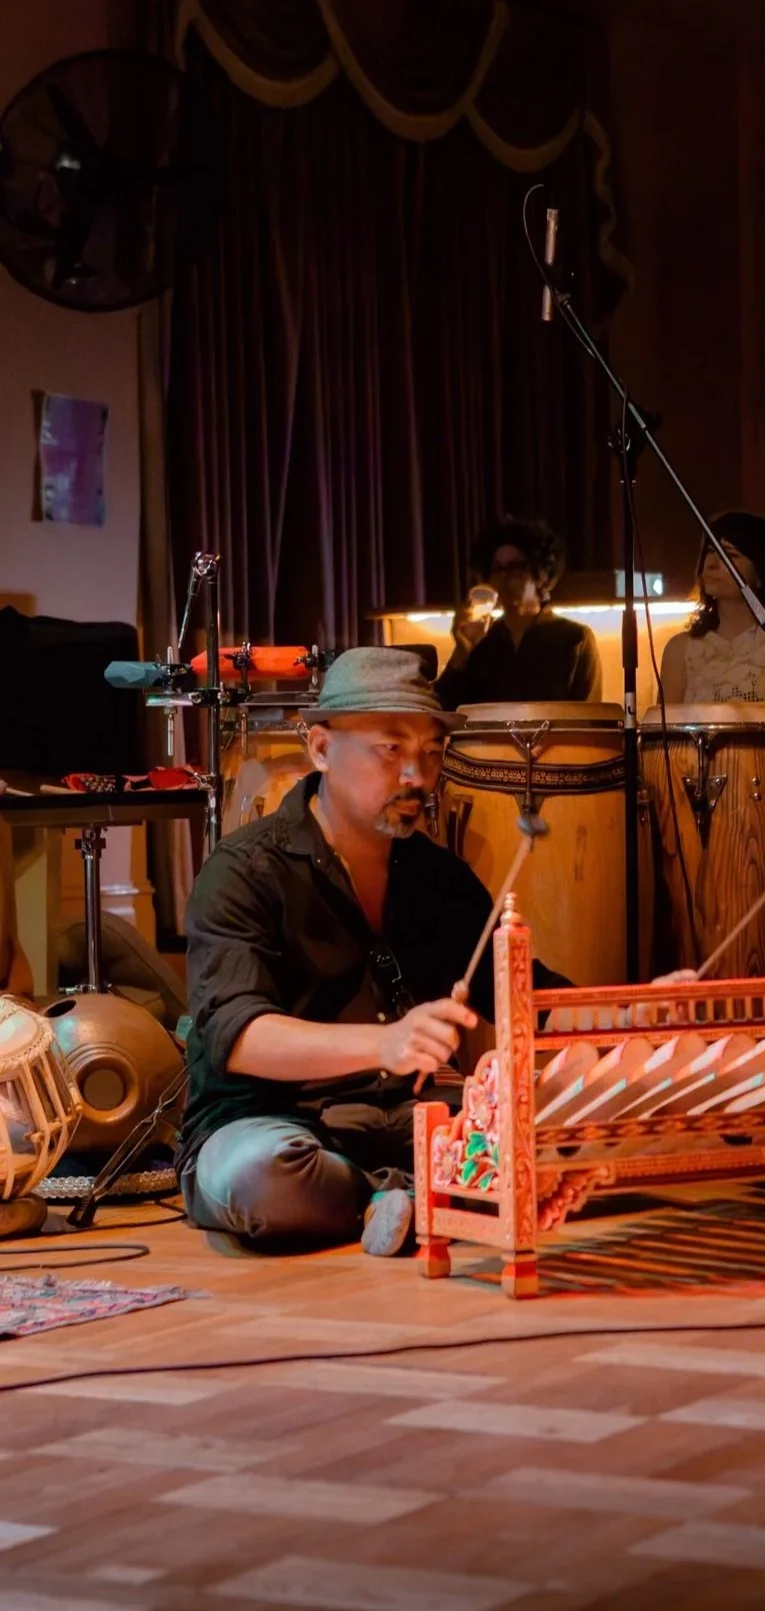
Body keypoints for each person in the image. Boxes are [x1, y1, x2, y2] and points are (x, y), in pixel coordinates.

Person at [180, 648, 562, 1254]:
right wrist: (384, 1043)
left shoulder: (438, 877)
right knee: (262, 1178)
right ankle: (403, 1193)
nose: (418, 776)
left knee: (551, 1131)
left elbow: (522, 994)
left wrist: (631, 1011)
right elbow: (240, 1037)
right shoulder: (243, 871)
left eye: (431, 753)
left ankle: (402, 1197)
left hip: (408, 1118)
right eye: (391, 749)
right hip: (275, 1126)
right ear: (321, 748)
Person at [435, 518, 601, 710]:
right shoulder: (481, 641)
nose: (505, 577)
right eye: (498, 569)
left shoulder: (574, 639)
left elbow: (590, 715)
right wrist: (461, 653)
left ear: (540, 573)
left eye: (516, 568)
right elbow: (440, 708)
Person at [660, 511, 765, 704]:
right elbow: (665, 722)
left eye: (730, 555)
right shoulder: (679, 648)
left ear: (762, 572)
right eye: (710, 551)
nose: (711, 564)